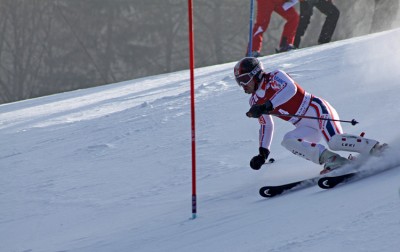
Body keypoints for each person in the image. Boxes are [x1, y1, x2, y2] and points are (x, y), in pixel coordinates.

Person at [233, 57, 386, 173]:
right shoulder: (254, 100)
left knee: (334, 141)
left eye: (245, 79)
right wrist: (263, 153)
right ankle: (333, 160)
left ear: (256, 74)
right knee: (288, 140)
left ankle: (376, 148)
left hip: (315, 110)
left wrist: (267, 106)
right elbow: (266, 125)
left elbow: (290, 89)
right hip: (302, 124)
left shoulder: (275, 76)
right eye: (239, 82)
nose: (243, 85)